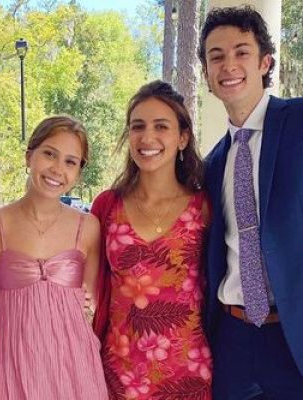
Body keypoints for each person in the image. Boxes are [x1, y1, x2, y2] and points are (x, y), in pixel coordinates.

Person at [198, 5, 303, 399]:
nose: (229, 65)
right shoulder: (211, 165)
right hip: (233, 340)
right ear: (207, 75)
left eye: (241, 52)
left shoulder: (299, 121)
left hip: (294, 338)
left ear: (265, 62)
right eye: (216, 56)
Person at [91, 81, 211, 400]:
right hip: (119, 376)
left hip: (189, 374)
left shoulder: (204, 207)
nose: (147, 137)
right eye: (138, 126)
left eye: (161, 126)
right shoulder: (107, 207)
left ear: (182, 137)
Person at [0, 115, 109, 399]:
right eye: (49, 154)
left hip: (76, 369)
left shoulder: (88, 227)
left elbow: (90, 304)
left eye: (70, 162)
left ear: (78, 173)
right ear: (29, 157)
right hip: (15, 368)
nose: (57, 169)